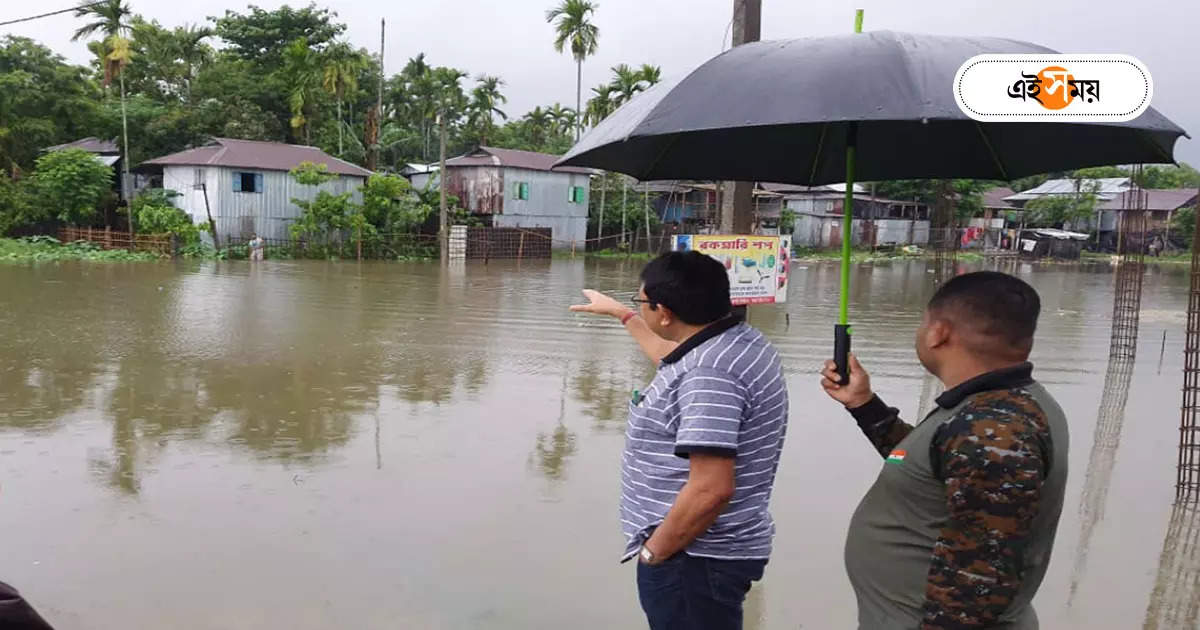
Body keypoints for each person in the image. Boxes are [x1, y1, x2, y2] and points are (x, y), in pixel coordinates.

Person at [820, 271, 1068, 629]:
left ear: (939, 332)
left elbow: (980, 580)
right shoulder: (996, 407)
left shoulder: (995, 427)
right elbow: (933, 469)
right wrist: (865, 405)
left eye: (924, 322)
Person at [570, 251, 788, 630]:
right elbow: (674, 361)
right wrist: (624, 314)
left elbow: (711, 489)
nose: (641, 309)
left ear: (665, 312)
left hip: (694, 557)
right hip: (706, 553)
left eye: (643, 303)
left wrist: (655, 553)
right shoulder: (734, 341)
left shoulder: (709, 375)